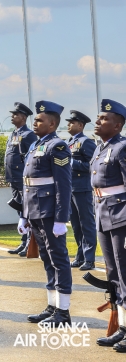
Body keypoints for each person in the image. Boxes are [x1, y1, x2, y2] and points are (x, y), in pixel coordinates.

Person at [18, 101, 73, 326]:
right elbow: (27, 183)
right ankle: (52, 305)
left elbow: (64, 185)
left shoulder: (57, 146)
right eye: (35, 119)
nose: (35, 123)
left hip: (50, 211)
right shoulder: (35, 145)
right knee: (47, 258)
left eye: (40, 120)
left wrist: (61, 219)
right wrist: (24, 215)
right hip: (34, 210)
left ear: (52, 124)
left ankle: (63, 311)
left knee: (58, 258)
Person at [90, 99, 126, 351]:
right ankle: (122, 327)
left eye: (104, 118)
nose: (98, 121)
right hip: (104, 215)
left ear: (117, 125)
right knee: (113, 273)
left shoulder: (122, 148)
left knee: (125, 272)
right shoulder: (100, 148)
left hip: (122, 216)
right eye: (99, 117)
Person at [64, 110, 97, 270]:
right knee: (76, 226)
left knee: (86, 224)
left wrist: (72, 163)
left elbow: (93, 165)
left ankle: (89, 259)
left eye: (72, 122)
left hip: (82, 188)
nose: (68, 125)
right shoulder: (68, 142)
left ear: (80, 125)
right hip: (70, 188)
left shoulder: (86, 142)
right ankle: (80, 255)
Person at [5, 102, 38, 256]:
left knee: (27, 212)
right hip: (14, 178)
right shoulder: (14, 134)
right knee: (21, 212)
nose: (12, 117)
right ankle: (24, 241)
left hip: (22, 179)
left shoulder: (28, 135)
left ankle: (30, 243)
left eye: (15, 115)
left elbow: (30, 158)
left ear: (23, 117)